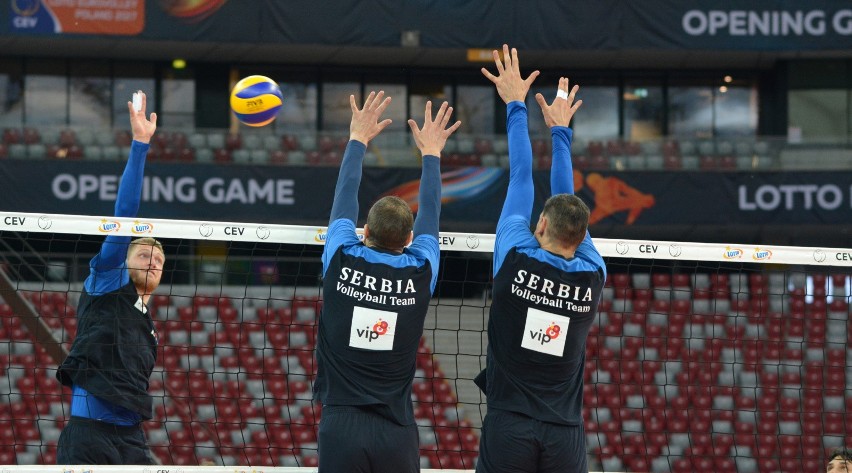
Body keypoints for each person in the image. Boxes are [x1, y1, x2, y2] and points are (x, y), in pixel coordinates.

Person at [474, 45, 607, 473]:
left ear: (541, 226)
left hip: (510, 424)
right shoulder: (593, 273)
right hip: (564, 432)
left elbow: (520, 177)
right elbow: (564, 200)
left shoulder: (514, 255)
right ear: (582, 237)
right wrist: (561, 133)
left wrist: (517, 105)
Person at [313, 91, 461, 473]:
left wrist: (357, 139)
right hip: (396, 427)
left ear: (363, 232)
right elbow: (430, 212)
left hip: (340, 423)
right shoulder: (420, 271)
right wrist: (431, 153)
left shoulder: (341, 257)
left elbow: (344, 194)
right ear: (410, 241)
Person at [56, 91, 162, 465]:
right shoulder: (108, 280)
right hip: (91, 438)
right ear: (124, 261)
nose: (153, 261)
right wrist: (140, 145)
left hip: (132, 439)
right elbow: (125, 215)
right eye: (145, 253)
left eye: (159, 259)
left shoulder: (148, 326)